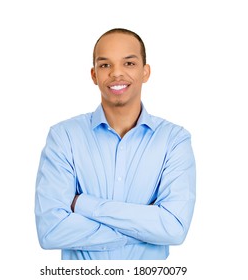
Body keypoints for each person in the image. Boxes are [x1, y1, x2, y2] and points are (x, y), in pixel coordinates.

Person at [35, 28, 196, 260]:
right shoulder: (64, 137)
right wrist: (145, 230)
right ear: (94, 75)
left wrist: (84, 204)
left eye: (129, 63)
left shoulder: (174, 140)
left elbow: (174, 228)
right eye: (105, 65)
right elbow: (51, 231)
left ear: (145, 72)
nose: (116, 73)